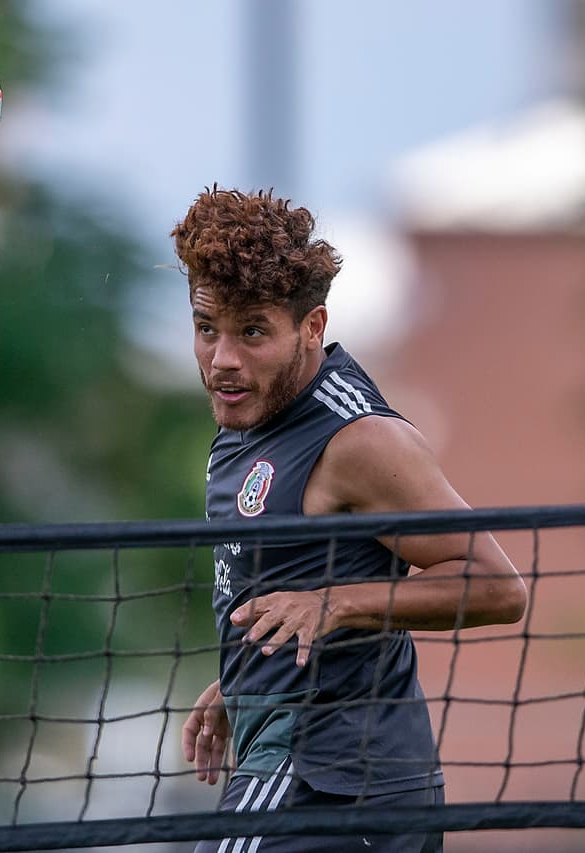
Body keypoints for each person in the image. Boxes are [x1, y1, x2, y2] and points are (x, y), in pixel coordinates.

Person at [172, 187, 527, 853]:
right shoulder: (244, 416)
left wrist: (336, 603)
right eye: (206, 328)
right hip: (302, 771)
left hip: (336, 786)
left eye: (252, 331)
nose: (223, 357)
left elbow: (498, 587)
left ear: (311, 327)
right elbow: (301, 581)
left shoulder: (359, 441)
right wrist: (246, 677)